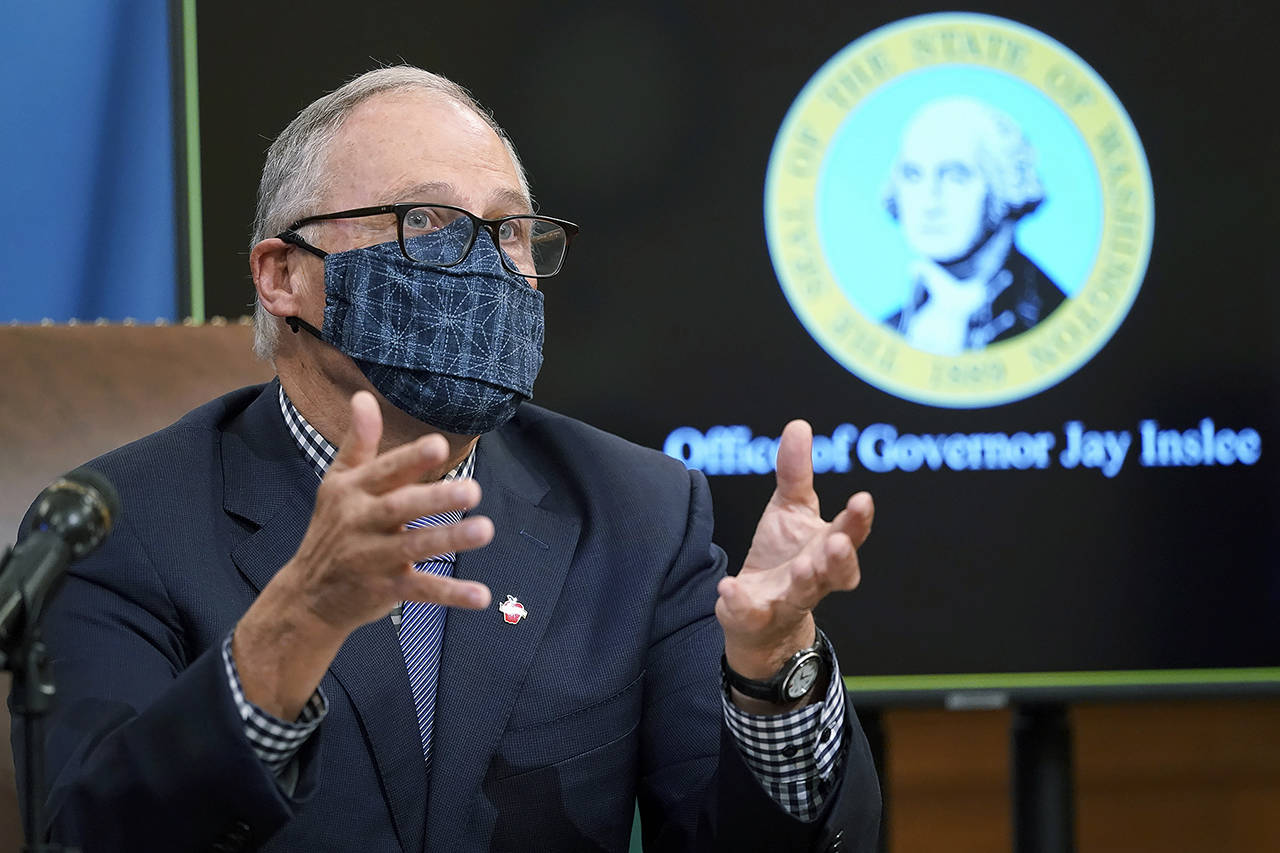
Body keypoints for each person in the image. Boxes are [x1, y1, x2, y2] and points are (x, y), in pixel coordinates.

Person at [12, 67, 880, 852]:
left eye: (509, 231)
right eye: (423, 220)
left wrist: (774, 678)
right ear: (282, 276)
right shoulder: (116, 527)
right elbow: (91, 836)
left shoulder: (640, 512)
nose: (484, 265)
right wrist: (293, 630)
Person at [882, 96, 1066, 354]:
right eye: (913, 175)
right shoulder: (887, 333)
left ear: (1006, 184)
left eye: (956, 176)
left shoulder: (1053, 321)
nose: (929, 201)